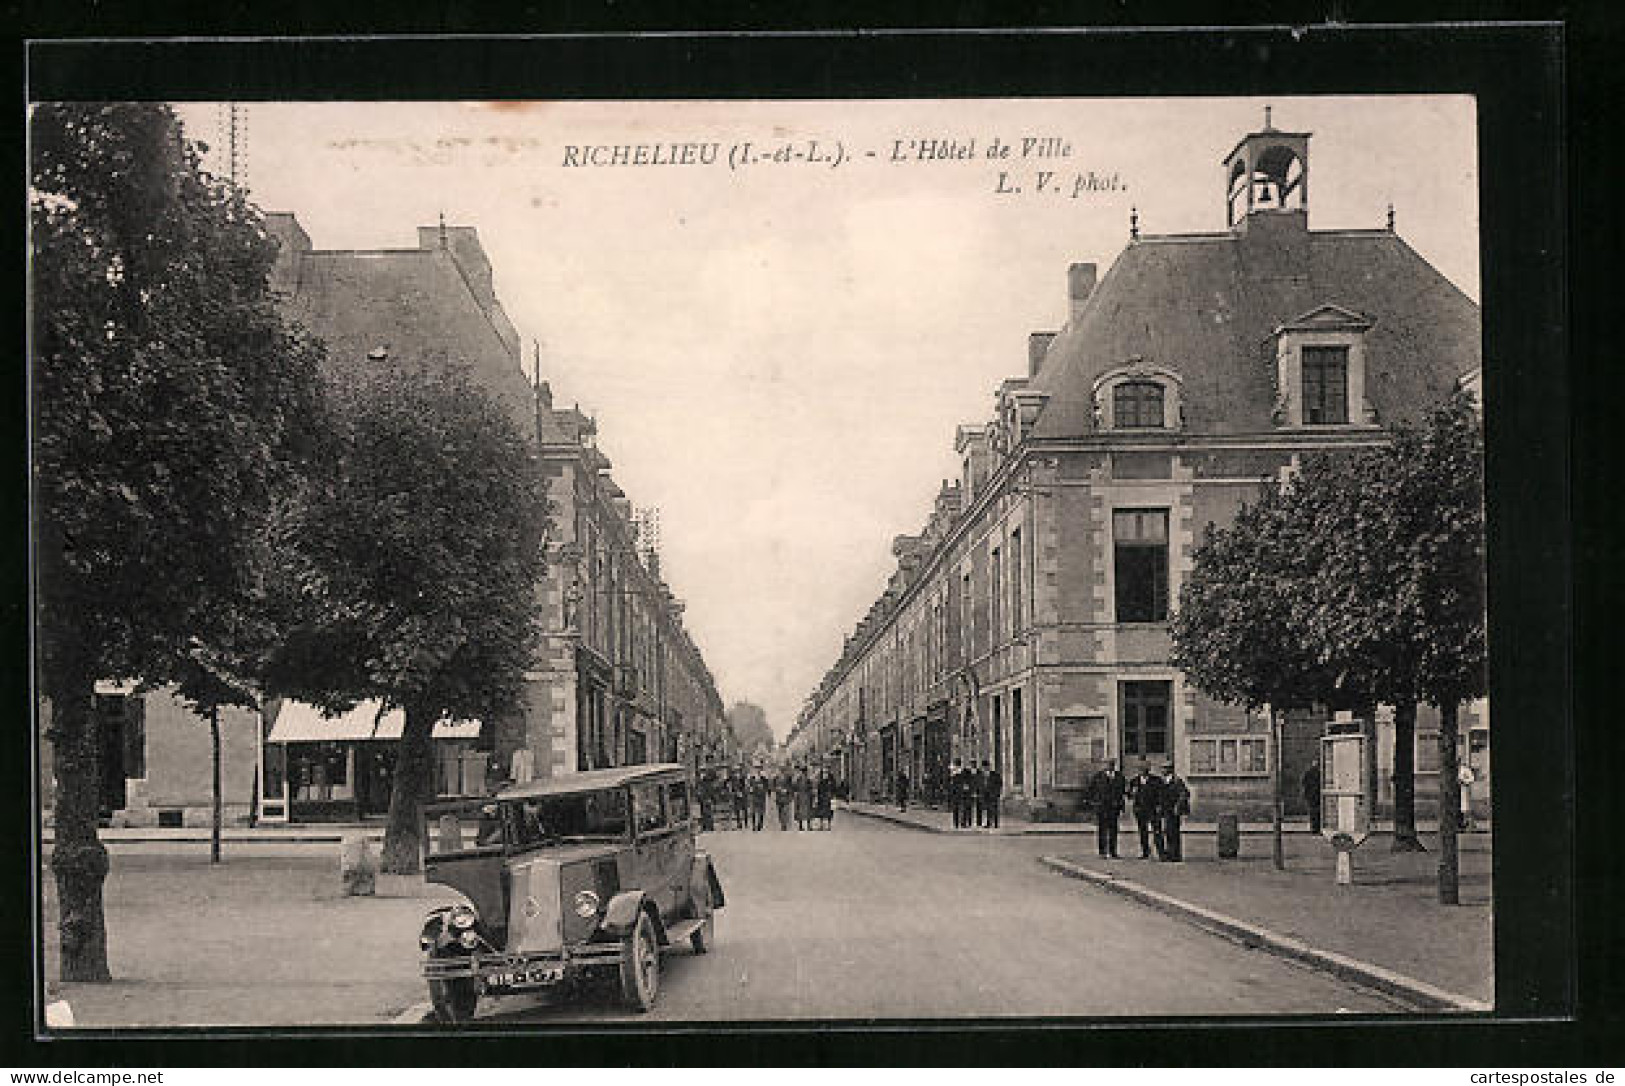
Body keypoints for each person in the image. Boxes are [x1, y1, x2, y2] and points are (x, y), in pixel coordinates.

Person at [1088, 760, 1127, 858]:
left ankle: (1113, 851)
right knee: (1102, 829)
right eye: (1107, 764)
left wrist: (1121, 805)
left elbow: (1122, 792)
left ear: (1114, 765)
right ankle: (1102, 851)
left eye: (1112, 764)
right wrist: (1095, 803)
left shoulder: (1120, 777)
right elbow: (1091, 791)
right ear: (1104, 765)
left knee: (1113, 829)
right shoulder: (1098, 777)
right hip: (1102, 807)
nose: (1110, 766)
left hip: (1114, 808)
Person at [1126, 764, 1164, 859]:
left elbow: (1161, 794)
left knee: (1157, 831)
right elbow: (1129, 796)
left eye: (1145, 769)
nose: (1143, 771)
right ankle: (1145, 852)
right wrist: (1131, 793)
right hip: (1140, 810)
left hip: (1153, 809)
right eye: (1141, 769)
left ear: (1149, 769)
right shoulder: (1134, 781)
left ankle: (1161, 852)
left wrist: (1159, 806)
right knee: (1143, 832)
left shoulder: (1156, 780)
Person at [1159, 762, 1191, 862]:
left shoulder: (1177, 781)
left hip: (1174, 810)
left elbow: (1184, 793)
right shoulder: (1163, 781)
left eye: (1164, 768)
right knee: (1168, 831)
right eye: (1162, 768)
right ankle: (1170, 852)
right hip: (1166, 809)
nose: (1162, 770)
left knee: (1174, 832)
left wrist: (1178, 805)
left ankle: (1175, 854)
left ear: (1170, 769)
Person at [1302, 759, 1323, 835]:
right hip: (1316, 795)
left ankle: (1314, 828)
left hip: (1312, 796)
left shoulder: (1308, 772)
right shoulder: (1319, 773)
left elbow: (1304, 783)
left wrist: (1306, 793)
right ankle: (1316, 828)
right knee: (1317, 812)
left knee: (1313, 813)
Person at [949, 758, 970, 828]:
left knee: (962, 808)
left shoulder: (964, 772)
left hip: (962, 792)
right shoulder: (954, 772)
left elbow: (967, 782)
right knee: (957, 808)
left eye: (956, 764)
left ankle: (961, 823)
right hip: (956, 792)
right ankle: (957, 823)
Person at [981, 759, 1003, 829]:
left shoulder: (995, 775)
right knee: (987, 809)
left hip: (993, 794)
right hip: (985, 794)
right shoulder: (982, 775)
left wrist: (997, 792)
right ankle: (988, 823)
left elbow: (999, 784)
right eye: (984, 767)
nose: (985, 768)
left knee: (994, 809)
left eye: (986, 767)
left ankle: (996, 823)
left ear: (989, 767)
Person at [792, 765, 813, 830]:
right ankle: (807, 826)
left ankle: (802, 826)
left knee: (803, 810)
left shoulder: (800, 779)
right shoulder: (807, 779)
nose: (804, 773)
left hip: (802, 796)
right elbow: (810, 788)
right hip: (805, 796)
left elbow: (795, 787)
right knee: (807, 811)